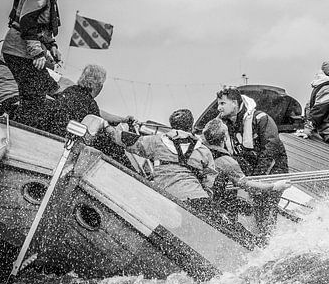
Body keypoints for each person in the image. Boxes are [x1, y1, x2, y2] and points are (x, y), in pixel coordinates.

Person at [1, 0, 65, 129]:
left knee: (46, 88)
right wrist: (37, 53)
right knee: (34, 98)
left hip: (19, 51)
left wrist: (51, 46)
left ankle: (11, 119)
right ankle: (18, 132)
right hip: (18, 52)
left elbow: (39, 25)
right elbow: (27, 22)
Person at [216, 86, 288, 233]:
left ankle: (268, 239)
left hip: (272, 170)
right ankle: (234, 228)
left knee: (265, 209)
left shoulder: (261, 119)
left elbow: (270, 149)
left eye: (222, 103)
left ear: (235, 103)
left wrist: (257, 179)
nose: (219, 108)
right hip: (250, 170)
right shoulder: (225, 124)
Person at [203, 118, 290, 238]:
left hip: (204, 199)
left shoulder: (200, 152)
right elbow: (249, 187)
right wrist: (275, 186)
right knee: (255, 241)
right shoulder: (227, 162)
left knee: (246, 207)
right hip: (215, 208)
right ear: (225, 138)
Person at [113, 109, 216, 209]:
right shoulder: (204, 150)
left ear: (172, 125)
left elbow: (125, 140)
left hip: (170, 201)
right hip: (200, 199)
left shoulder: (157, 142)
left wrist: (118, 125)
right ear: (191, 126)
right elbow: (210, 181)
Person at [48, 64, 131, 136]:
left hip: (51, 128)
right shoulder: (90, 104)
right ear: (99, 86)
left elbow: (100, 113)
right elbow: (99, 127)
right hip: (62, 137)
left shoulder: (70, 90)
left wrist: (121, 119)